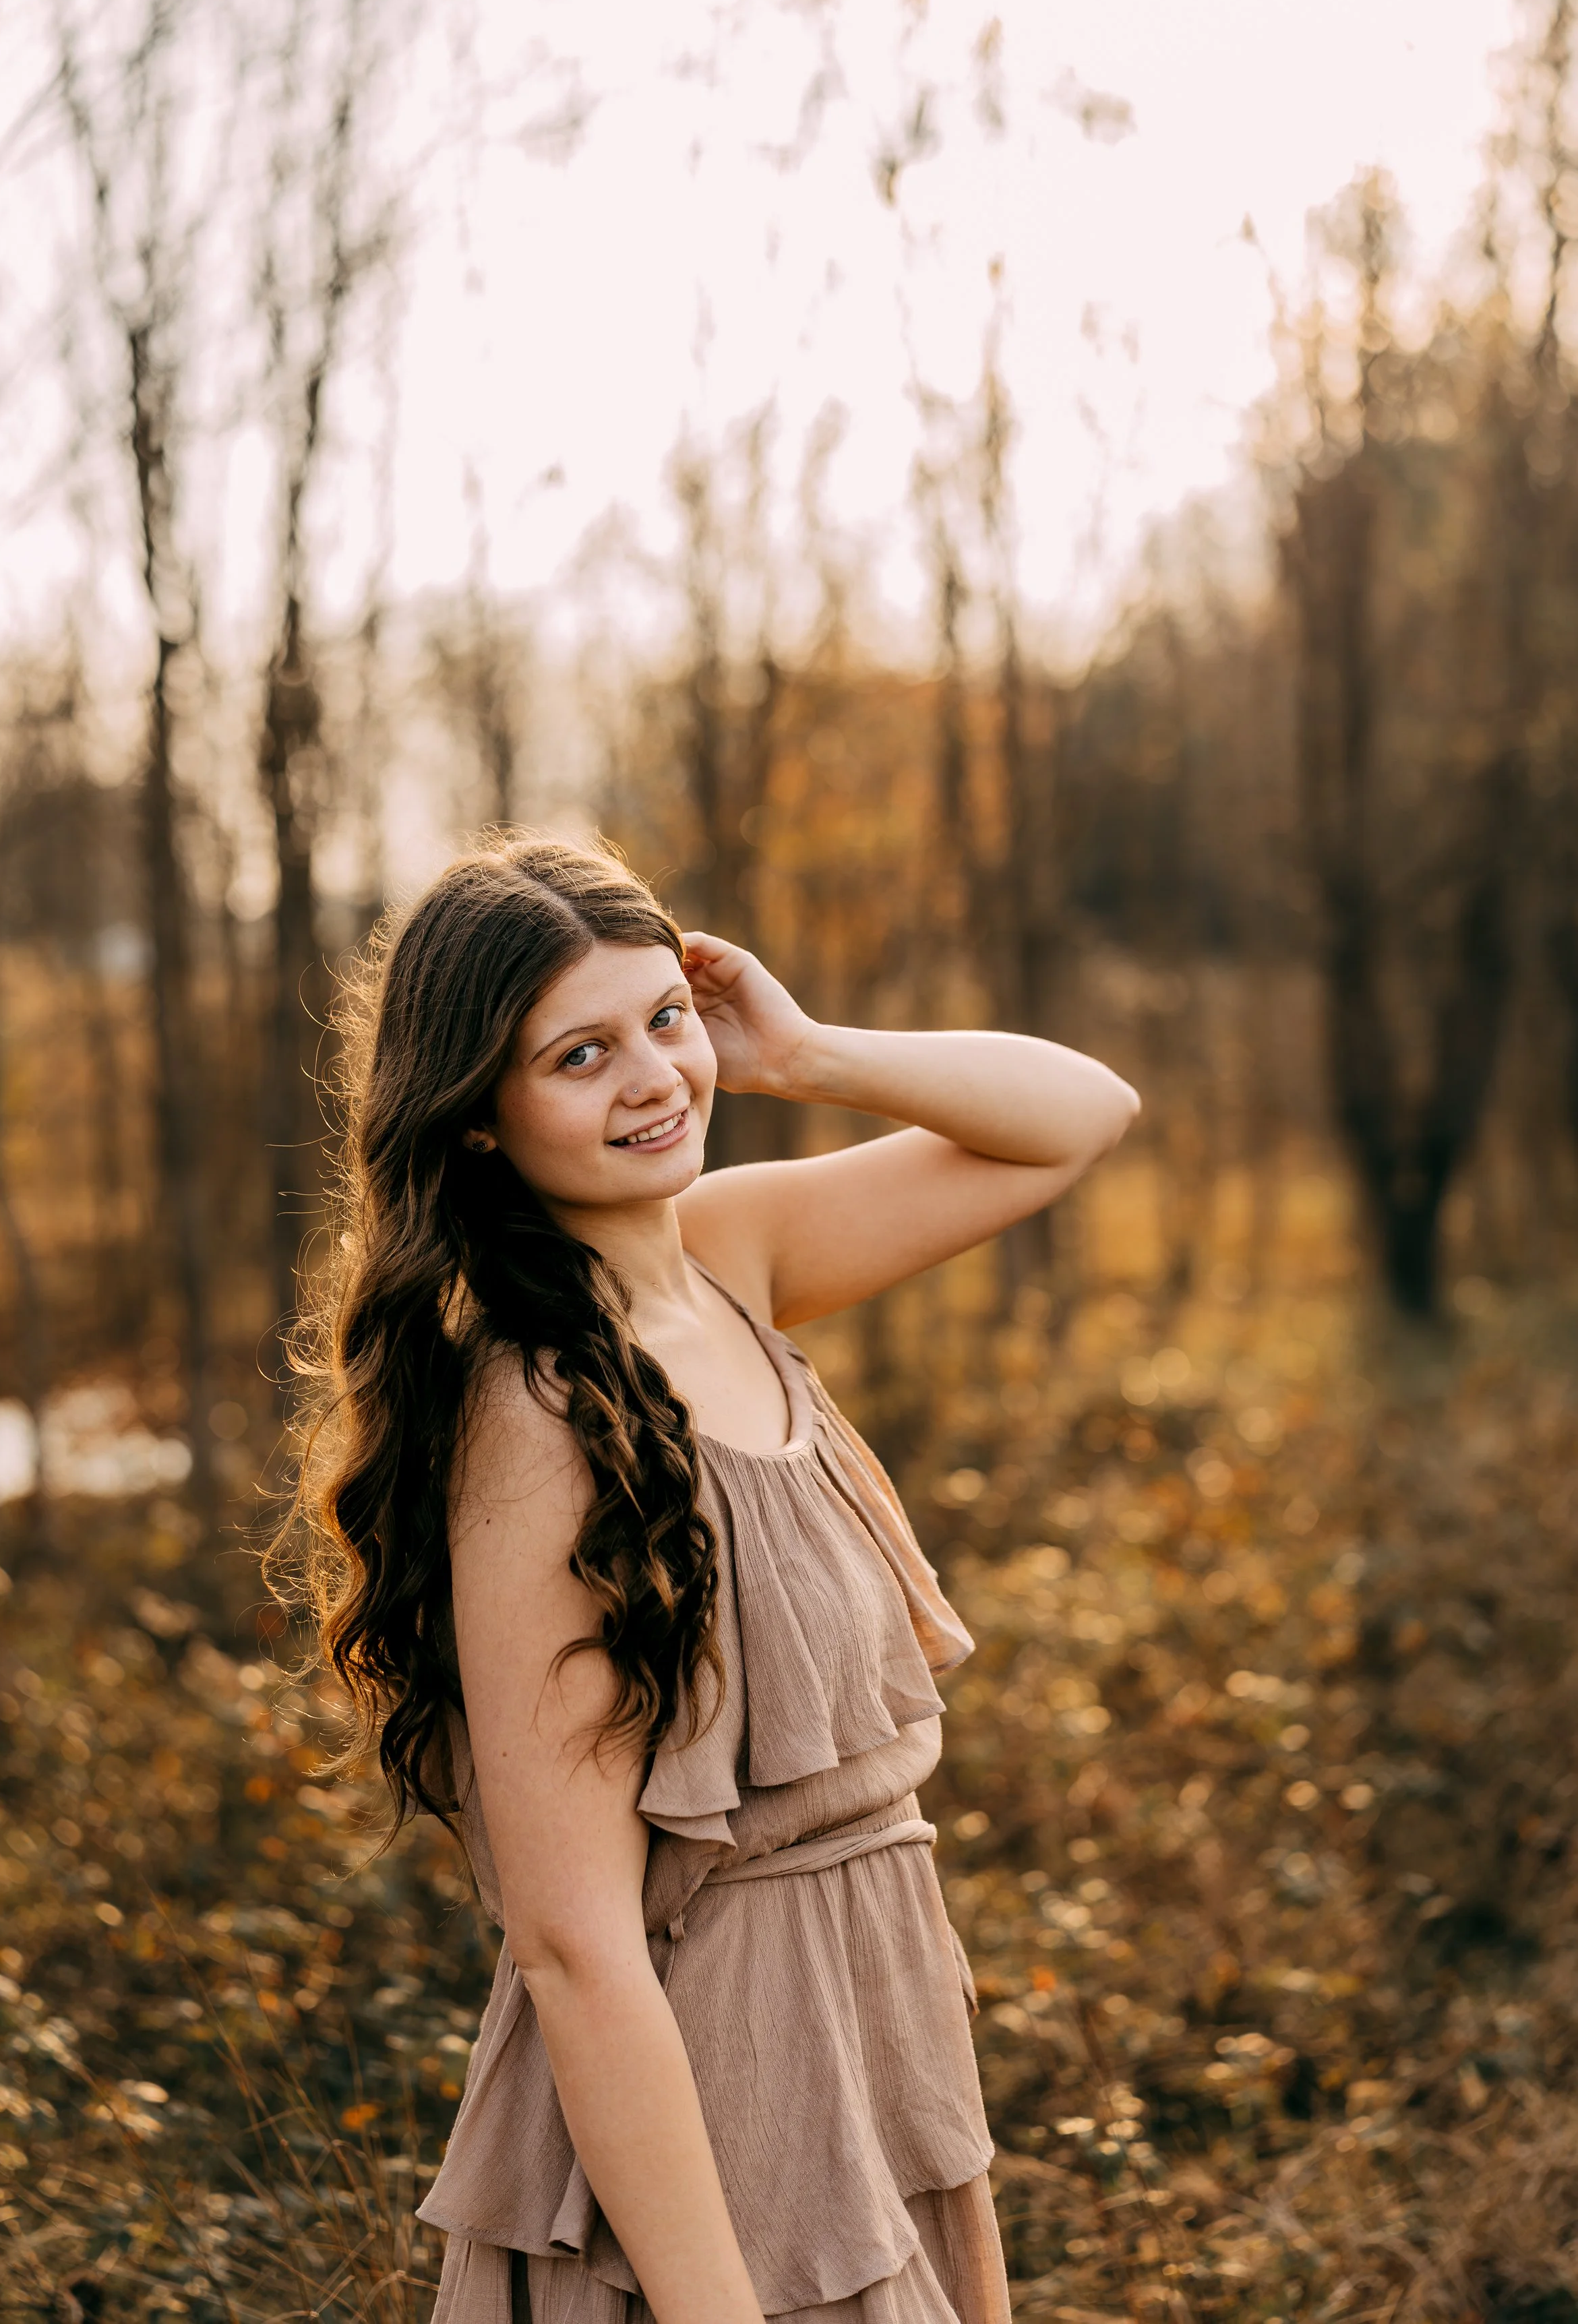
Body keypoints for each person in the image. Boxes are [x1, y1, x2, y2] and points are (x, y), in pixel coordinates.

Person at [284, 834, 1139, 2324]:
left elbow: (1078, 1115)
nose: (653, 1081)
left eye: (662, 1021)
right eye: (578, 1055)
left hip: (873, 2040)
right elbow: (570, 1940)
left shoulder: (730, 1255)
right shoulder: (528, 1416)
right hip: (712, 2097)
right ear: (476, 1117)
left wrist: (804, 1051)